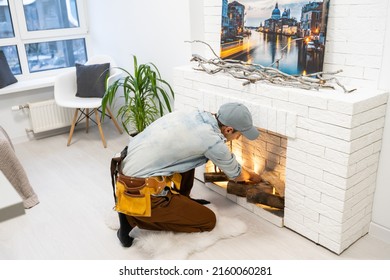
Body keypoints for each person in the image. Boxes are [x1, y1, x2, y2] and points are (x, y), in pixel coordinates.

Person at [114, 102, 262, 247]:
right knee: (208, 220)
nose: (238, 138)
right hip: (138, 190)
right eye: (240, 134)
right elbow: (237, 174)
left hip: (124, 173)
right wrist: (254, 177)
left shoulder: (193, 114)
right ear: (229, 130)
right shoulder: (211, 140)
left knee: (189, 157)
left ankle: (182, 201)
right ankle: (130, 219)